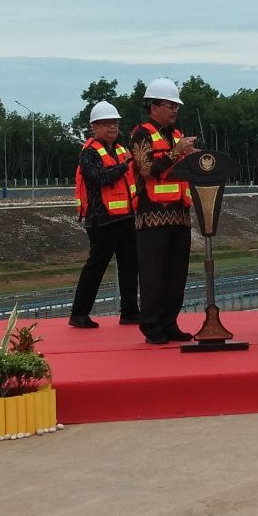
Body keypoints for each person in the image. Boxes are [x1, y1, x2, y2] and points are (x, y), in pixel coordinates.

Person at [130, 78, 198, 345]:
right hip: (152, 215)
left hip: (180, 213)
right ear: (153, 107)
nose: (174, 110)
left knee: (176, 274)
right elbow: (147, 169)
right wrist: (174, 153)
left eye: (176, 106)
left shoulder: (177, 134)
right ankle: (151, 326)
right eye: (170, 105)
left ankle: (170, 323)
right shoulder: (141, 134)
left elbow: (186, 166)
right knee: (153, 274)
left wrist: (196, 156)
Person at [69, 101, 140, 328]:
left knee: (130, 265)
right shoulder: (89, 153)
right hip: (102, 220)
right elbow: (100, 178)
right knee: (96, 266)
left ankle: (130, 312)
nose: (112, 127)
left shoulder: (120, 150)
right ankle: (79, 314)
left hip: (126, 217)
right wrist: (126, 165)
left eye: (115, 123)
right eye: (107, 123)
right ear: (94, 127)